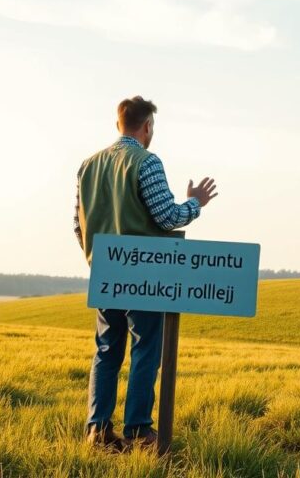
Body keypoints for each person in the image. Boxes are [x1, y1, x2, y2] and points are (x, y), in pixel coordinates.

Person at [73, 96, 218, 451]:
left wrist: (97, 258)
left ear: (118, 123)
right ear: (147, 126)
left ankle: (98, 431)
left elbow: (78, 225)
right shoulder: (146, 161)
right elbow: (167, 217)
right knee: (145, 349)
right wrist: (195, 203)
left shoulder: (87, 166)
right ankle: (138, 430)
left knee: (107, 350)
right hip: (147, 273)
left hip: (106, 269)